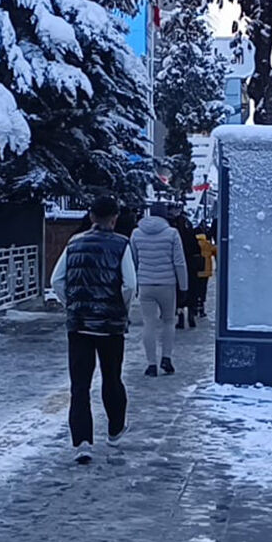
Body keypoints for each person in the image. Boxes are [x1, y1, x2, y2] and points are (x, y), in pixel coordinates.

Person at [50, 196, 136, 465]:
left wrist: (72, 303)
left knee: (80, 385)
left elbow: (56, 280)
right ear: (115, 218)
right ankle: (115, 430)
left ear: (91, 217)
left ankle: (82, 443)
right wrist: (121, 308)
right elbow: (130, 284)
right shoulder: (121, 244)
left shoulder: (74, 243)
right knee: (112, 377)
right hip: (110, 326)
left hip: (79, 325)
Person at [130, 203, 188, 376]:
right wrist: (183, 286)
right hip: (167, 284)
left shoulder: (136, 233)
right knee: (169, 321)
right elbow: (179, 262)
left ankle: (151, 364)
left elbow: (133, 260)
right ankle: (166, 358)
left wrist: (135, 283)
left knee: (149, 323)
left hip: (145, 284)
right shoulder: (172, 233)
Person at [172, 212, 203, 329]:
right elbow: (198, 250)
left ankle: (180, 319)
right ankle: (191, 317)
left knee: (180, 295)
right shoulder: (191, 235)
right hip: (192, 268)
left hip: (178, 269)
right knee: (192, 293)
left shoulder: (175, 237)